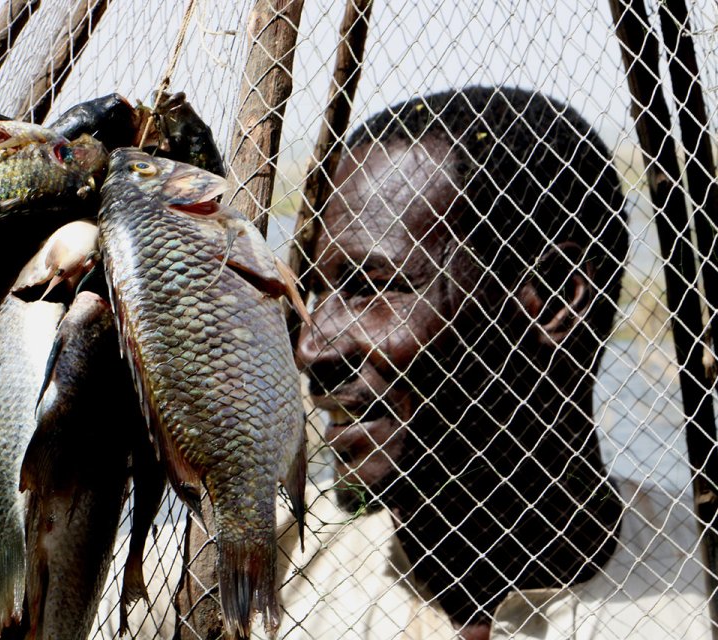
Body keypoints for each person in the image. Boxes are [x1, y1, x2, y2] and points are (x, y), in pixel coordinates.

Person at [98, 86, 710, 639]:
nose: (312, 347)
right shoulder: (260, 566)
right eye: (316, 291)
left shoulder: (700, 583)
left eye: (372, 286)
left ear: (551, 294)